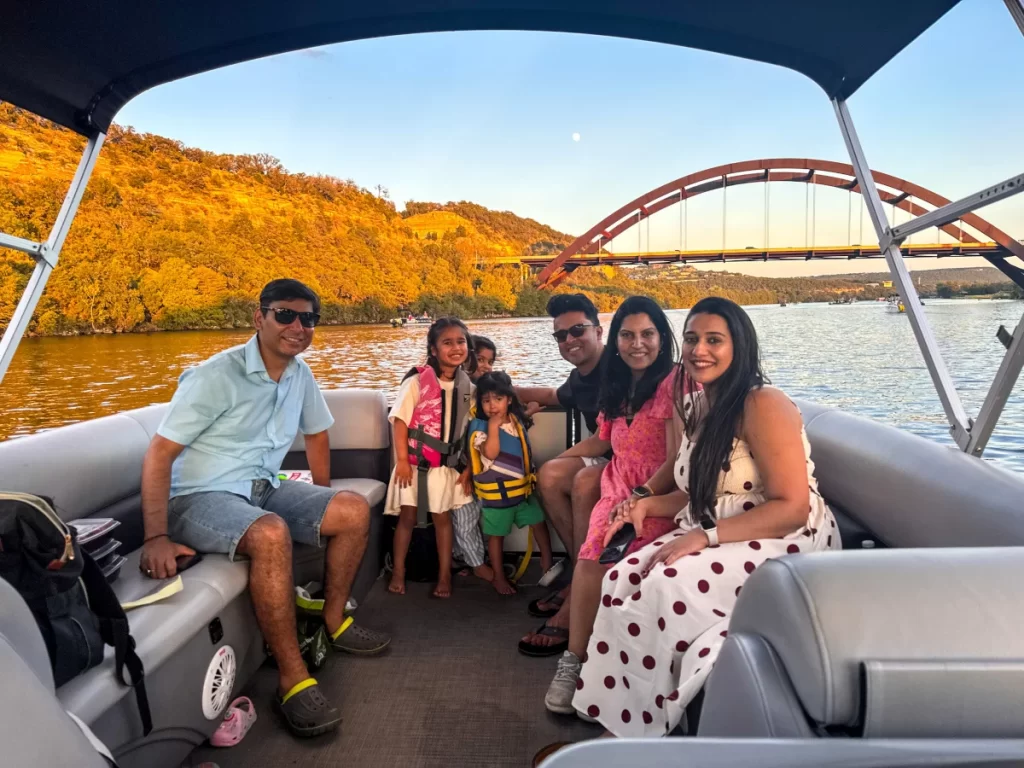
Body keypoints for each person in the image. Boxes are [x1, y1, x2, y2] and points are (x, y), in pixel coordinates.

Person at [571, 296, 841, 738]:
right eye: (693, 339)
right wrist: (643, 506)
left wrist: (705, 538)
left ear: (740, 347)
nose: (699, 350)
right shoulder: (698, 406)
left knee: (663, 587)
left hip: (785, 538)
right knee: (620, 577)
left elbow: (791, 507)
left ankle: (636, 736)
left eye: (714, 340)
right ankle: (623, 714)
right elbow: (692, 493)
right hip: (718, 529)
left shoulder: (763, 403)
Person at [139, 278, 390, 739]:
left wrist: (323, 499)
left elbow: (316, 435)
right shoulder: (217, 375)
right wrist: (155, 536)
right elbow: (159, 454)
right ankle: (292, 680)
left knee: (352, 509)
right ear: (260, 317)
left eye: (309, 318)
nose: (298, 326)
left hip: (261, 488)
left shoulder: (299, 375)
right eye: (285, 315)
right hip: (197, 497)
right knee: (271, 532)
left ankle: (333, 619)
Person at [542, 296, 688, 711]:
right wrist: (559, 460)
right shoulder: (617, 384)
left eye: (646, 334)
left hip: (658, 493)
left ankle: (620, 665)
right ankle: (575, 661)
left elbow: (677, 459)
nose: (636, 344)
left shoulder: (675, 383)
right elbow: (606, 439)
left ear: (662, 337)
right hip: (618, 484)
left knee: (623, 560)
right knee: (590, 560)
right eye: (627, 335)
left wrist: (642, 496)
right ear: (616, 339)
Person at [516, 294, 606, 655]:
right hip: (608, 461)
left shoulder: (619, 368)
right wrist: (502, 391)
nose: (569, 340)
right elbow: (555, 394)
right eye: (560, 335)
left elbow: (607, 437)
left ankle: (576, 605)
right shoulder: (581, 377)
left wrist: (566, 456)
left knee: (574, 477)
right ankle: (578, 579)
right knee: (549, 475)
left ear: (599, 331)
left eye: (577, 330)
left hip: (633, 464)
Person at [385, 317, 475, 598]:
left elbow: (469, 431)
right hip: (411, 465)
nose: (456, 347)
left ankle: (444, 575)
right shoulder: (416, 381)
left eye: (460, 341)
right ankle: (399, 570)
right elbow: (399, 421)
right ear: (434, 350)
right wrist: (401, 460)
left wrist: (469, 467)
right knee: (407, 518)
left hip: (444, 469)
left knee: (442, 520)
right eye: (447, 342)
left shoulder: (466, 386)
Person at [468, 372, 554, 594]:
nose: (492, 406)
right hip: (497, 499)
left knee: (539, 523)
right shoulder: (481, 429)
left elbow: (523, 419)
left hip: (523, 494)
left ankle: (547, 562)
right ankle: (498, 576)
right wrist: (493, 428)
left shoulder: (515, 420)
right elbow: (491, 453)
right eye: (486, 400)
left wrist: (533, 408)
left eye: (498, 399)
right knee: (496, 537)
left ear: (509, 400)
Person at [448, 334, 499, 586]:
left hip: (477, 468)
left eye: (490, 361)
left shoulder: (484, 394)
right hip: (459, 468)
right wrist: (467, 469)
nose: (486, 366)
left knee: (473, 514)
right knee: (464, 515)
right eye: (480, 359)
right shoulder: (460, 392)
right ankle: (477, 564)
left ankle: (466, 558)